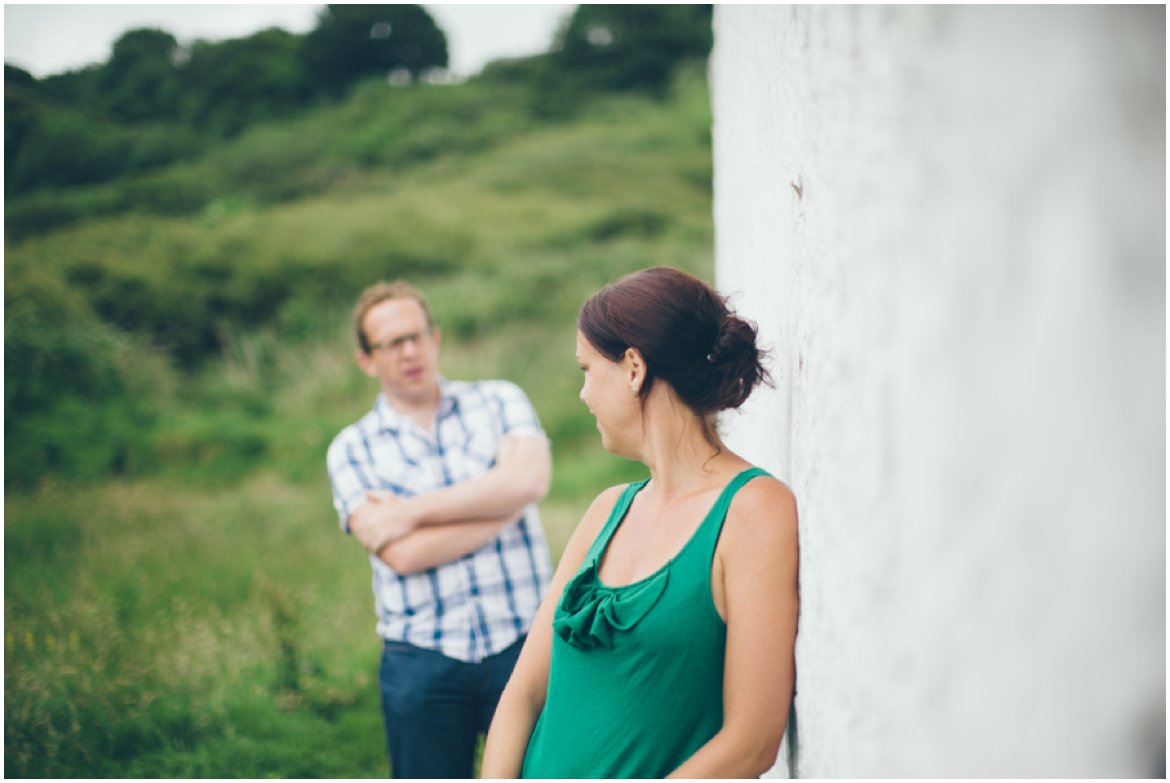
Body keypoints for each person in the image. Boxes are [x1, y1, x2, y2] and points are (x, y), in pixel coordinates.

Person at [481, 266, 799, 778]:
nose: (583, 395)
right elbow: (522, 695)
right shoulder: (608, 510)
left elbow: (752, 743)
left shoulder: (753, 510)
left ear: (633, 368)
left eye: (587, 369)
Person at [326, 280, 553, 779]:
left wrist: (409, 512)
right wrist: (503, 497)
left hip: (523, 644)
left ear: (436, 337)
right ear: (367, 359)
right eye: (391, 343)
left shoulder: (499, 400)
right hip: (422, 660)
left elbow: (531, 477)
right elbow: (402, 556)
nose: (409, 351)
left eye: (417, 335)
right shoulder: (351, 448)